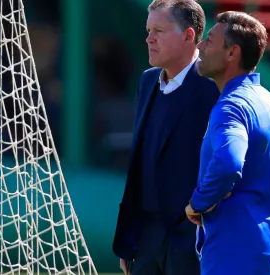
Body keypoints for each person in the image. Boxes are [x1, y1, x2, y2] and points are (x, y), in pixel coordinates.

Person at [184, 11, 270, 275]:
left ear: (232, 53)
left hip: (233, 255)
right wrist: (265, 202)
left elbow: (229, 163)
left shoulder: (231, 107)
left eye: (209, 40)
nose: (200, 46)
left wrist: (198, 203)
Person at [112, 1, 220, 275]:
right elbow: (140, 163)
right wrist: (129, 237)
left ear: (189, 35)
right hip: (145, 236)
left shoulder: (215, 87)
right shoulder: (147, 81)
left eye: (159, 30)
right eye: (148, 30)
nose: (149, 38)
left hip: (193, 239)